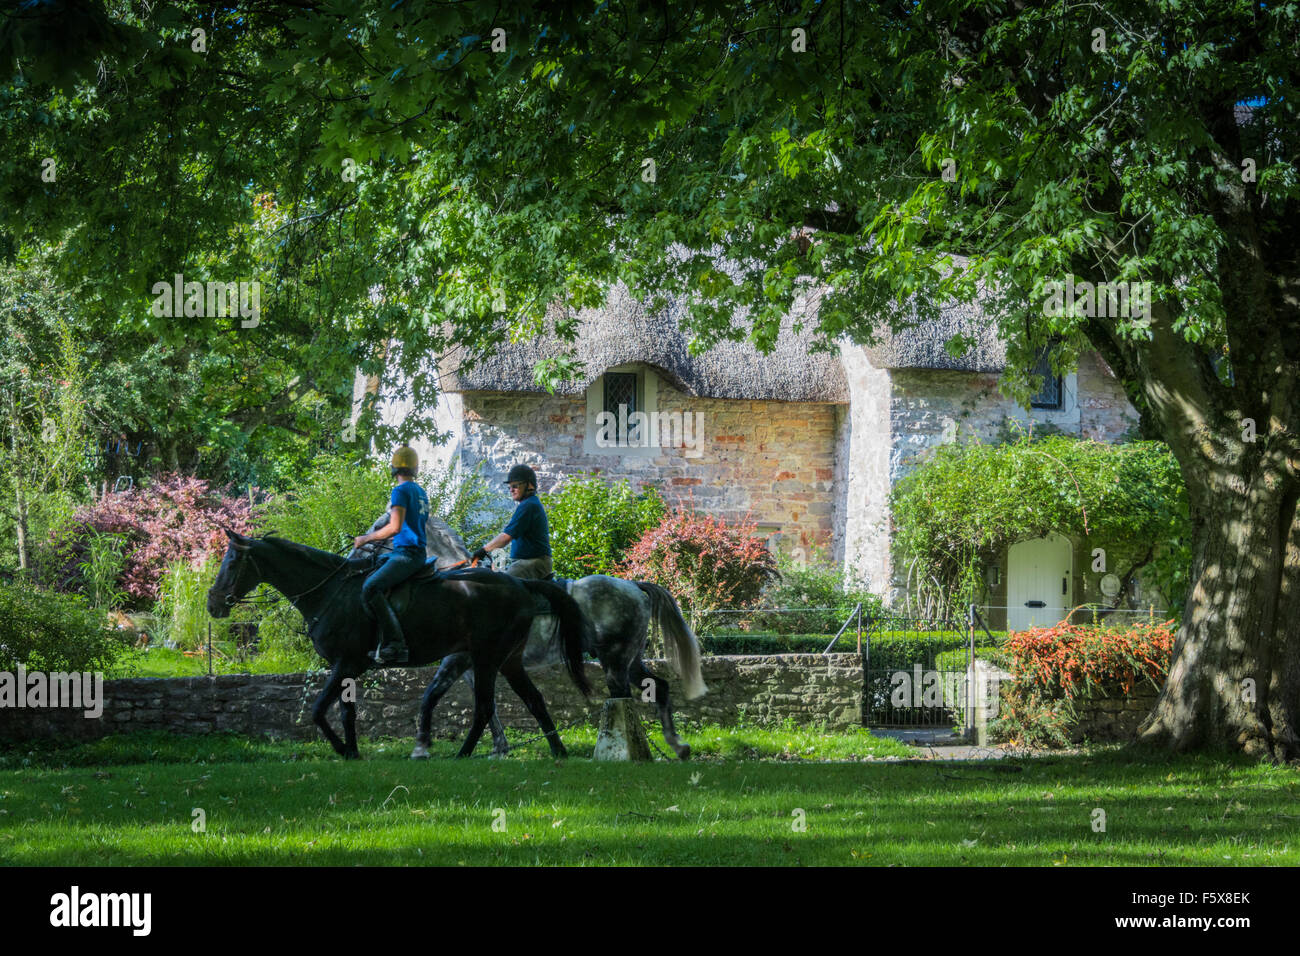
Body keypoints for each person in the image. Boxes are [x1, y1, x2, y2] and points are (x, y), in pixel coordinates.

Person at [354, 445, 429, 664]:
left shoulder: (400, 491)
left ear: (394, 468)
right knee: (374, 564)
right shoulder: (420, 492)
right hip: (413, 552)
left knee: (370, 588)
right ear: (415, 468)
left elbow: (394, 527)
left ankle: (395, 644)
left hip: (407, 554)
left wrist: (365, 538)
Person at [472, 463, 553, 579]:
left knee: (502, 585)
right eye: (509, 487)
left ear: (529, 485)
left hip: (534, 562)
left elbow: (506, 538)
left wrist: (483, 550)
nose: (511, 490)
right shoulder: (529, 504)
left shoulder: (529, 506)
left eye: (515, 486)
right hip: (525, 561)